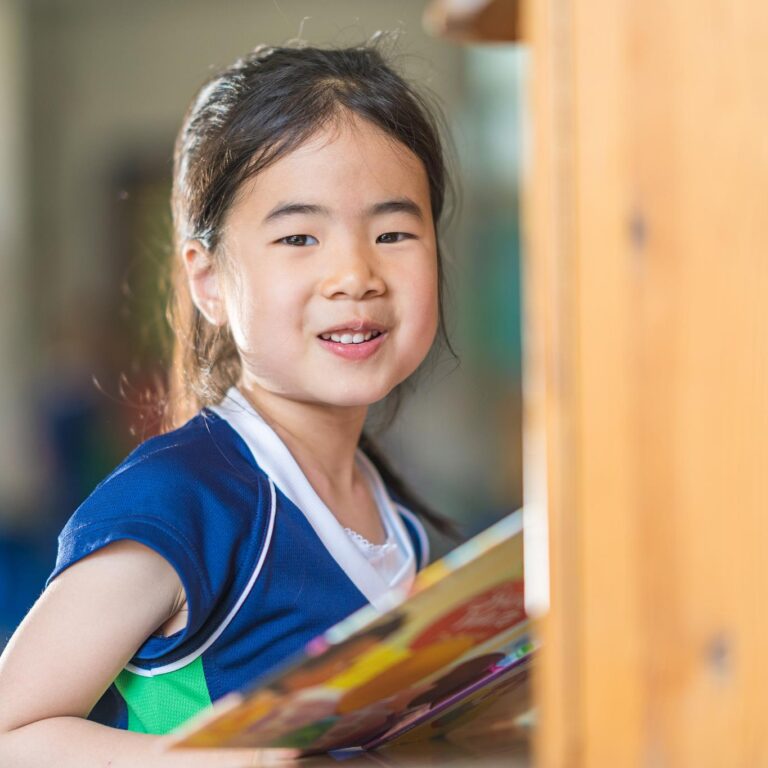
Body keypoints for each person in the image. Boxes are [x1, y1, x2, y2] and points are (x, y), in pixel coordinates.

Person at [0, 43, 457, 767]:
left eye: (394, 232)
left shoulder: (403, 525)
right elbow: (11, 734)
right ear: (209, 281)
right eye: (299, 236)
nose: (355, 274)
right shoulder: (181, 501)